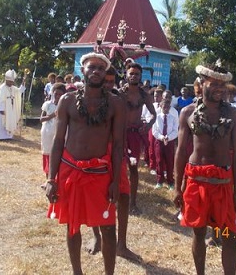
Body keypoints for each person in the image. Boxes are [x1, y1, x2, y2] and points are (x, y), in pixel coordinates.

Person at [45, 52, 125, 275]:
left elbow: (118, 146)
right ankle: (77, 272)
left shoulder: (116, 104)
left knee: (108, 228)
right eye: (92, 67)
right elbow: (58, 140)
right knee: (72, 226)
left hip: (100, 174)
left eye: (101, 68)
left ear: (106, 73)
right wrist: (51, 179)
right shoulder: (67, 100)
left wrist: (116, 181)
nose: (96, 71)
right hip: (70, 171)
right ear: (83, 70)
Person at [174, 61, 236, 275]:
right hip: (196, 180)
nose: (220, 89)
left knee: (230, 236)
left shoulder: (235, 116)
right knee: (198, 232)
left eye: (223, 86)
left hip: (224, 180)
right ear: (201, 83)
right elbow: (180, 152)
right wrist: (178, 187)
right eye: (214, 84)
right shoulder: (187, 112)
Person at [86, 65, 140, 261]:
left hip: (117, 155)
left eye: (111, 81)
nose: (107, 84)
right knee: (95, 198)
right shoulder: (87, 100)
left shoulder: (119, 101)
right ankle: (96, 237)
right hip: (96, 156)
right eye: (105, 80)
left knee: (123, 196)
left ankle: (121, 245)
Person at [119, 62, 156, 215]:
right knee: (116, 166)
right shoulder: (119, 93)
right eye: (131, 73)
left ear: (140, 77)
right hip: (120, 135)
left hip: (134, 136)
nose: (134, 76)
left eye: (137, 74)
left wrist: (148, 126)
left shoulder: (144, 95)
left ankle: (132, 203)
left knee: (133, 169)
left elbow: (154, 114)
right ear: (126, 75)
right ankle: (115, 198)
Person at [40, 82, 66, 187]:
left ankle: (57, 180)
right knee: (47, 155)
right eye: (56, 94)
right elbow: (41, 119)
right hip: (47, 133)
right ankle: (48, 180)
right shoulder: (47, 104)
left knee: (57, 156)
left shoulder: (65, 105)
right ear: (52, 93)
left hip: (59, 135)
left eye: (60, 94)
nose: (57, 96)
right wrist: (52, 115)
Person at [0, 70, 26, 141]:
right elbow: (0, 99)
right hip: (4, 109)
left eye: (12, 82)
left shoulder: (12, 88)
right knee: (2, 122)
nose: (11, 83)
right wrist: (1, 109)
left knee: (10, 121)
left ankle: (8, 136)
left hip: (11, 109)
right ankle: (0, 137)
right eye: (10, 82)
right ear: (6, 80)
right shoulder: (2, 88)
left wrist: (23, 82)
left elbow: (19, 91)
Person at [152, 99, 179, 189]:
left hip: (169, 142)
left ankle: (170, 181)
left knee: (169, 161)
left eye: (168, 107)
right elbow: (154, 131)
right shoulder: (157, 117)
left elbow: (175, 131)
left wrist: (168, 137)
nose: (166, 109)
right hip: (159, 142)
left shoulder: (173, 118)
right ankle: (159, 181)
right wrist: (162, 137)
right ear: (160, 107)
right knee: (159, 161)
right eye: (164, 107)